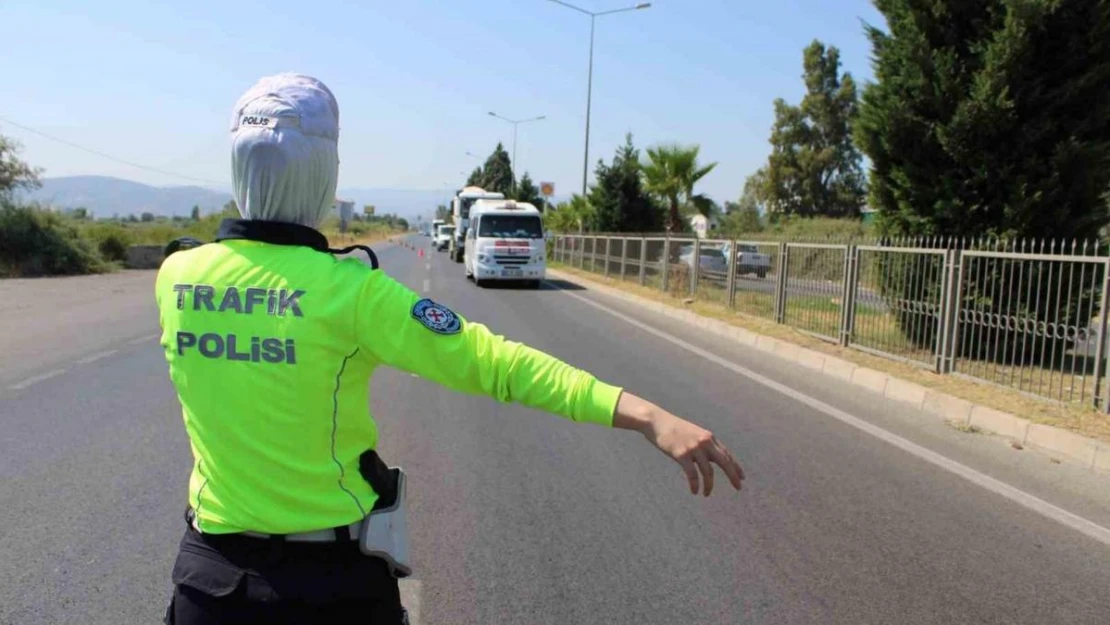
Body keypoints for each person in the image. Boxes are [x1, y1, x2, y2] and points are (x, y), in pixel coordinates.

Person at [157, 73, 744, 625]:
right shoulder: (352, 292)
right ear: (323, 176)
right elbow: (498, 365)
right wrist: (647, 414)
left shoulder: (176, 276)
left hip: (211, 584)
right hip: (330, 587)